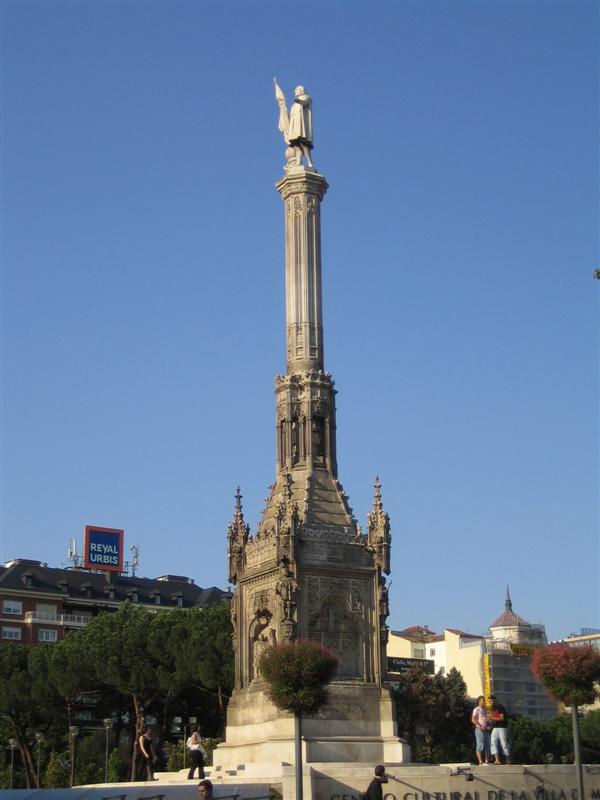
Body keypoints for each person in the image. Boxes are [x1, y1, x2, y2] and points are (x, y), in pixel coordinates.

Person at [489, 694, 511, 764]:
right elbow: (494, 718)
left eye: (491, 700)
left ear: (495, 700)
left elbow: (502, 718)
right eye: (489, 701)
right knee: (493, 742)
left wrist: (492, 718)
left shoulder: (500, 706)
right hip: (495, 727)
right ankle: (497, 760)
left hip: (502, 727)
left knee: (503, 743)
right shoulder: (492, 708)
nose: (490, 702)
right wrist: (490, 722)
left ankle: (508, 758)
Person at [471, 696, 491, 765]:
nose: (484, 702)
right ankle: (480, 761)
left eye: (484, 700)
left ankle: (487, 761)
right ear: (479, 701)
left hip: (486, 730)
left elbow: (486, 719)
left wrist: (488, 726)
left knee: (488, 745)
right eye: (483, 700)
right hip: (479, 730)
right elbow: (473, 719)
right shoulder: (476, 709)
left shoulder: (485, 710)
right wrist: (480, 726)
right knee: (480, 745)